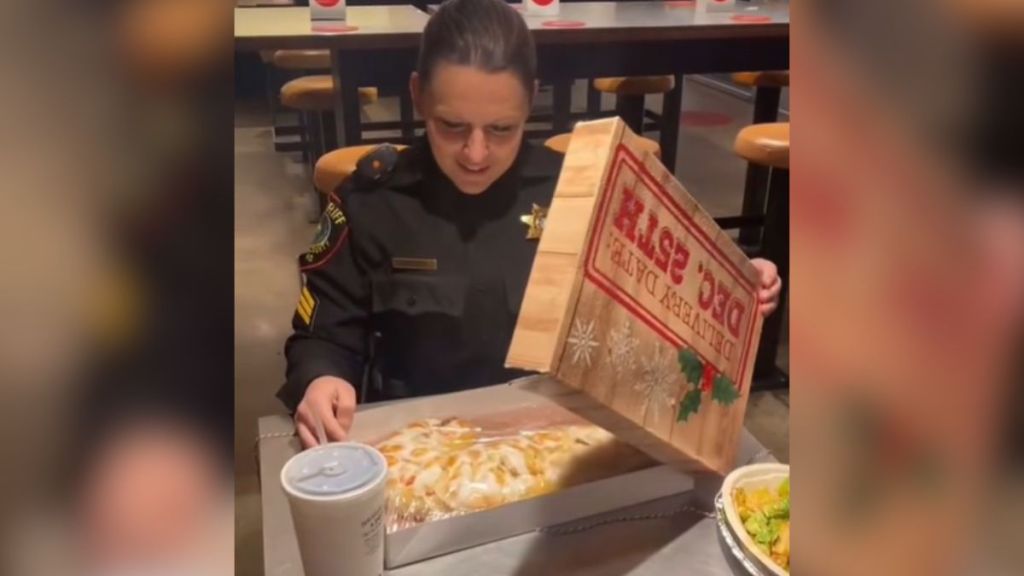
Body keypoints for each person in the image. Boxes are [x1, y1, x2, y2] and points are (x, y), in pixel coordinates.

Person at [280, 0, 782, 449]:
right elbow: (322, 335)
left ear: (530, 102)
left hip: (556, 442)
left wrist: (731, 284)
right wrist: (321, 380)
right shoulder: (375, 199)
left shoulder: (578, 191)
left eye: (502, 129)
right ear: (418, 97)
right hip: (421, 445)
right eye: (452, 126)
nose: (476, 154)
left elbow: (658, 307)